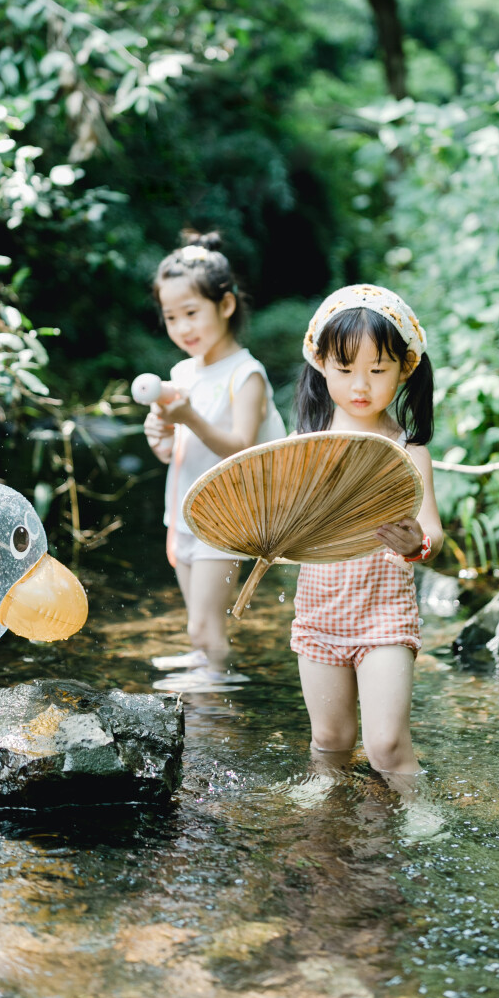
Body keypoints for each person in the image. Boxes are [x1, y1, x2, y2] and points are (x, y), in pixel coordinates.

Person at [290, 283, 443, 778]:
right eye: (345, 368)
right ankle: (327, 815)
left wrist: (415, 544)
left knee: (387, 743)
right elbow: (280, 525)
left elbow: (433, 536)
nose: (361, 385)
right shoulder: (301, 448)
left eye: (377, 371)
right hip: (319, 615)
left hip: (385, 618)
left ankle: (418, 808)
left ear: (406, 369)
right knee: (330, 739)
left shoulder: (407, 452)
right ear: (320, 363)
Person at [143, 232, 284, 690]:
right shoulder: (182, 373)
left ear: (225, 306)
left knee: (206, 626)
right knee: (196, 622)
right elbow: (175, 450)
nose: (182, 327)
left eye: (191, 313)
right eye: (171, 317)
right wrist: (161, 436)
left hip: (226, 516)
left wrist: (189, 416)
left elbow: (243, 445)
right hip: (185, 510)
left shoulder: (247, 375)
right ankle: (206, 666)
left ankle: (217, 704)